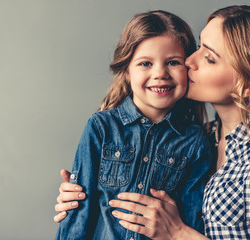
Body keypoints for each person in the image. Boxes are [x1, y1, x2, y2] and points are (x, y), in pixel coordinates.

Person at [54, 5, 250, 239]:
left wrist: (178, 234)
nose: (189, 61)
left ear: (246, 83)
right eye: (198, 47)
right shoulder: (205, 137)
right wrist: (84, 194)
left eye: (209, 58)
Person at [54, 10, 213, 240]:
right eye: (145, 63)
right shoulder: (101, 127)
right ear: (126, 71)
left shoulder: (196, 141)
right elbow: (78, 209)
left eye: (173, 62)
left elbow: (191, 220)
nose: (160, 73)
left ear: (187, 68)